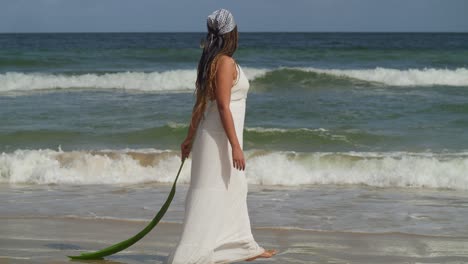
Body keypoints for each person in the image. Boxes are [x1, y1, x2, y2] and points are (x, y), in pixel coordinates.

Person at [166, 8, 277, 264]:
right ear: (232, 33)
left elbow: (200, 105)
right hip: (219, 139)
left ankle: (242, 246)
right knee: (212, 191)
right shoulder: (225, 62)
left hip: (211, 136)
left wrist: (188, 138)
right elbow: (224, 107)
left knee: (232, 188)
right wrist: (236, 147)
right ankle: (195, 254)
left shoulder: (210, 61)